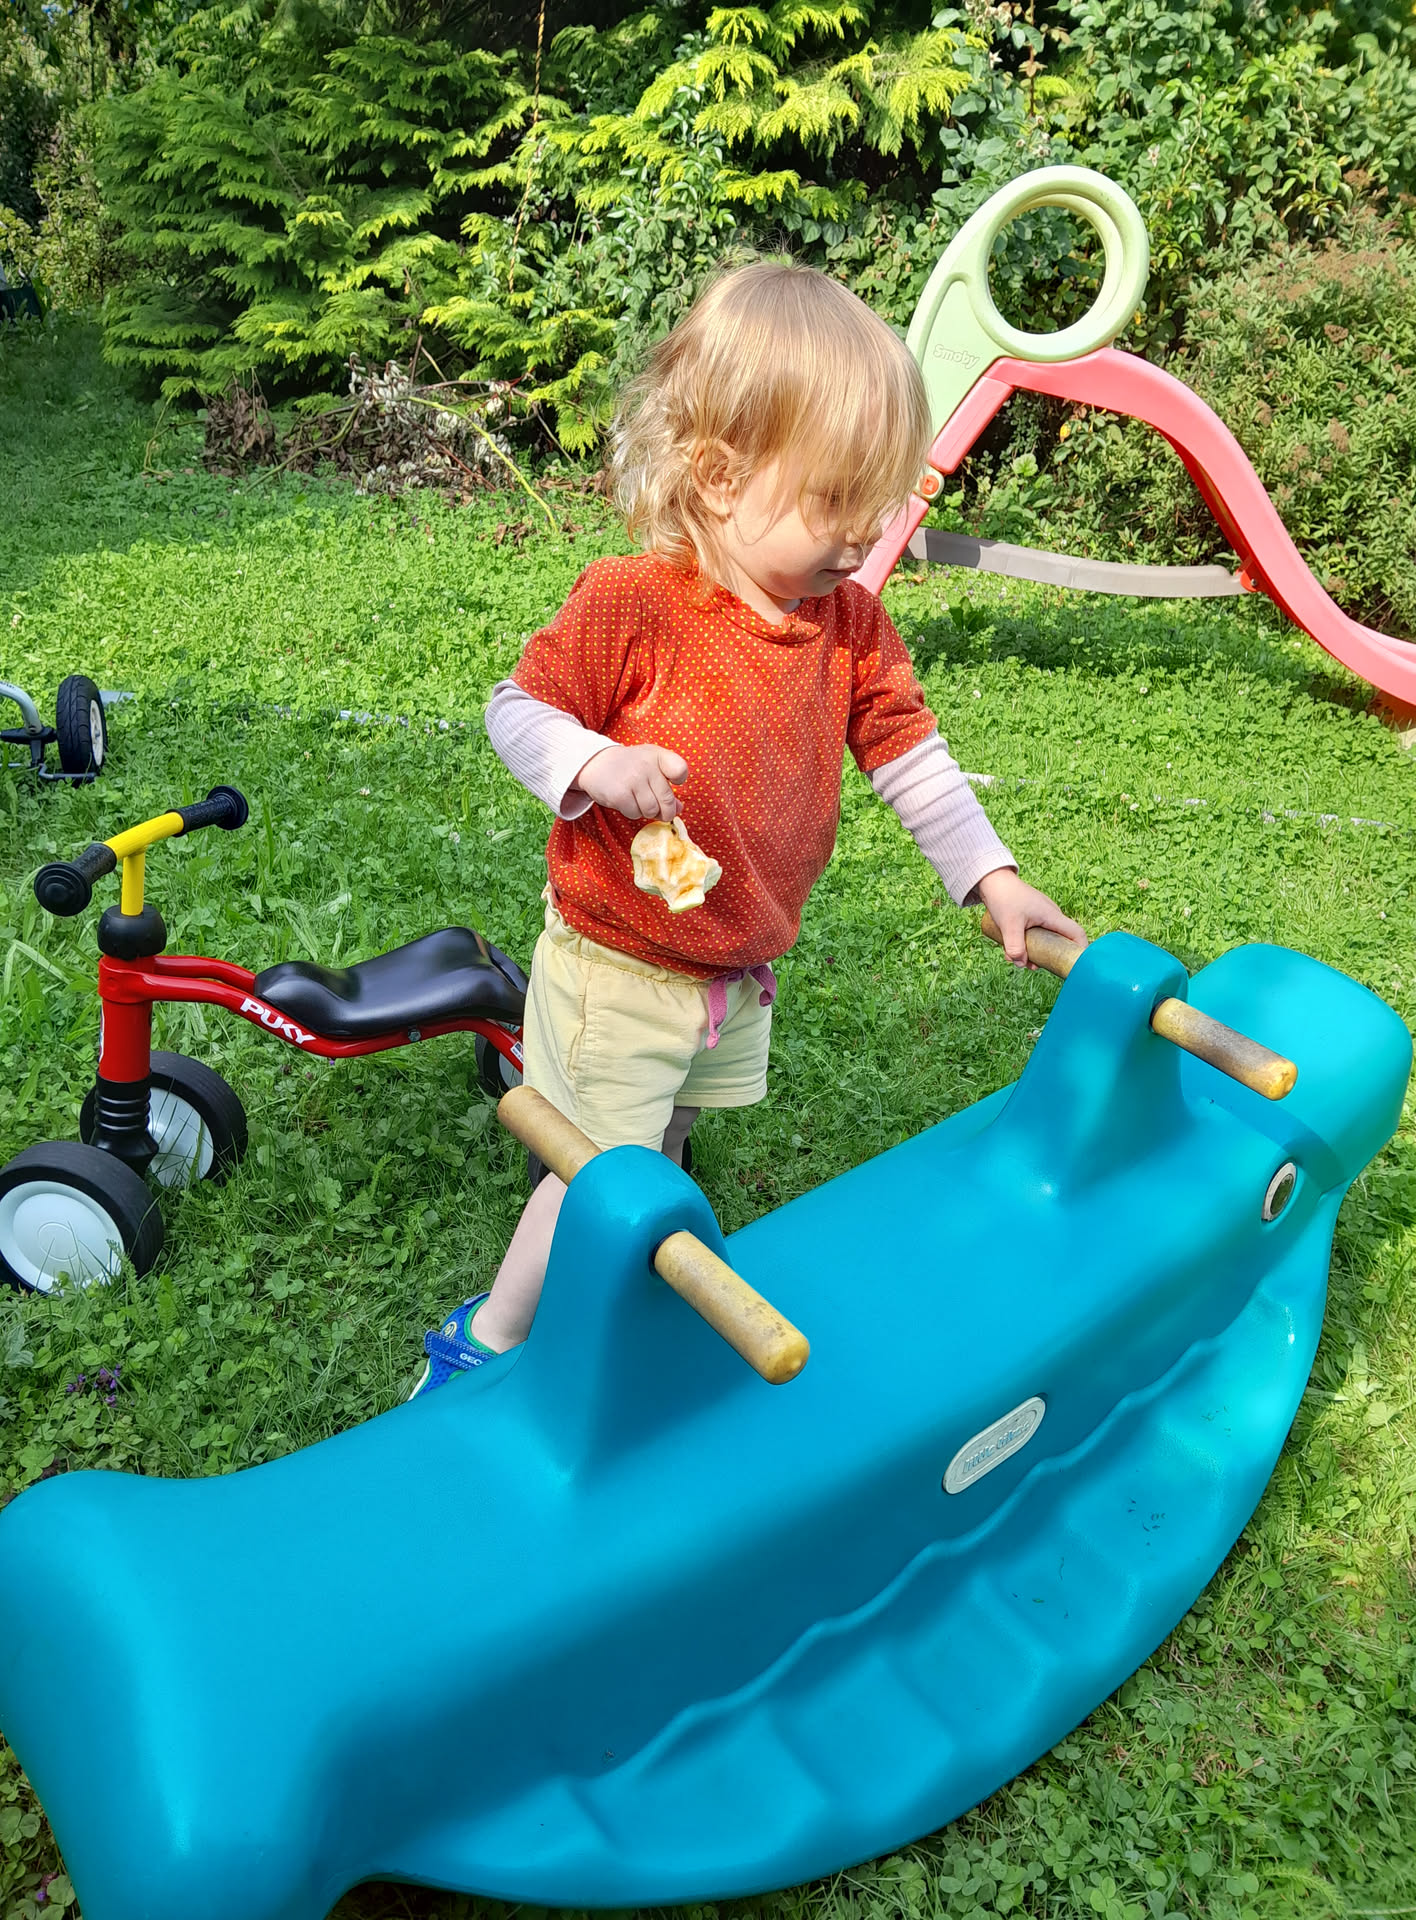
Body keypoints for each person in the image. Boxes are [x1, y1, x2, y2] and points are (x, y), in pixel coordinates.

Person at [410, 259, 1086, 1395]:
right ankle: (490, 1345)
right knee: (596, 1177)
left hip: (730, 968)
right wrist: (595, 763)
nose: (862, 536)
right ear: (720, 478)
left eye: (876, 504)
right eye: (836, 501)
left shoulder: (849, 627)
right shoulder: (635, 602)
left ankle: (623, 1300)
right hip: (620, 964)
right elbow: (514, 711)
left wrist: (992, 877)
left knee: (667, 1147)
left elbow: (911, 759)